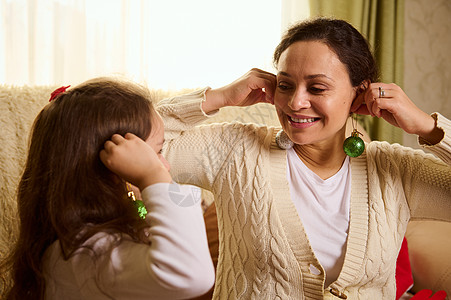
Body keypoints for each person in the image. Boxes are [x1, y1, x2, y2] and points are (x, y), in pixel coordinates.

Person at [157, 18, 450, 299]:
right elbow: (131, 139)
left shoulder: (396, 170)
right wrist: (219, 97)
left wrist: (428, 127)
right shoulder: (236, 150)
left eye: (317, 88)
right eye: (285, 85)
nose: (295, 103)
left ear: (359, 92)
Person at [0, 78, 215, 300]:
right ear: (112, 165)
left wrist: (217, 99)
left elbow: (152, 128)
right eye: (156, 154)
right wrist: (152, 175)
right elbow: (193, 276)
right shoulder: (89, 256)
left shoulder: (86, 238)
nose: (165, 166)